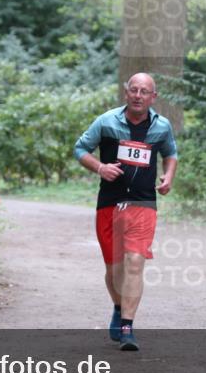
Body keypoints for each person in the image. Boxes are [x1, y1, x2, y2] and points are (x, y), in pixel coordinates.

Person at [73, 73, 178, 351]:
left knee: (134, 262)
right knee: (114, 269)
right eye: (134, 90)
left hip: (143, 204)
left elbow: (171, 153)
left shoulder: (162, 126)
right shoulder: (106, 121)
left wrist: (168, 176)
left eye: (145, 91)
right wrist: (100, 167)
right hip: (109, 203)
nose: (138, 95)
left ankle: (128, 327)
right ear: (126, 92)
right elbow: (80, 148)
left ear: (153, 97)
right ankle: (119, 308)